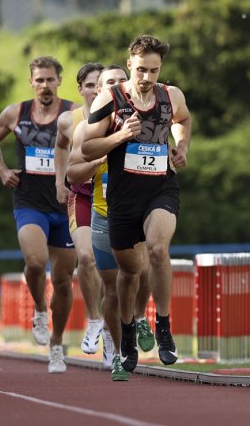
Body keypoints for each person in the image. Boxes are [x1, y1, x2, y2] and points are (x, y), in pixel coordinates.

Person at [82, 35, 192, 374]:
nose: (147, 78)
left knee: (158, 249)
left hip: (161, 187)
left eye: (154, 71)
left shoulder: (170, 95)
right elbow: (87, 148)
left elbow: (182, 120)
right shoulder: (109, 98)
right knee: (129, 275)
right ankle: (128, 335)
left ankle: (164, 327)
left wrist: (182, 145)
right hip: (122, 196)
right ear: (129, 64)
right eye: (141, 70)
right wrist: (119, 136)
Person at [0, 56, 79, 374]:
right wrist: (1, 170)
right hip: (29, 203)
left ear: (59, 82)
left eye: (50, 79)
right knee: (35, 262)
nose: (45, 85)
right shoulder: (16, 113)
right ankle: (39, 308)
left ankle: (56, 345)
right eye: (39, 80)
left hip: (65, 205)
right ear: (31, 82)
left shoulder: (73, 113)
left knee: (64, 281)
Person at [67, 65, 154, 381]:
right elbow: (72, 175)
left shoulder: (143, 121)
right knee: (113, 290)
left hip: (136, 210)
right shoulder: (85, 131)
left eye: (122, 81)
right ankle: (118, 353)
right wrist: (101, 158)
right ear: (101, 91)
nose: (117, 87)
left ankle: (141, 316)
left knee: (142, 272)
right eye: (109, 83)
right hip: (105, 213)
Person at [54, 63, 106, 359]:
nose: (96, 89)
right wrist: (61, 180)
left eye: (101, 84)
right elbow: (60, 146)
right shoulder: (68, 120)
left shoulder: (118, 116)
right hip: (82, 195)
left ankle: (115, 328)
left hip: (113, 197)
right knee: (86, 258)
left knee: (114, 267)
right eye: (90, 84)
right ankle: (94, 320)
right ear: (80, 89)